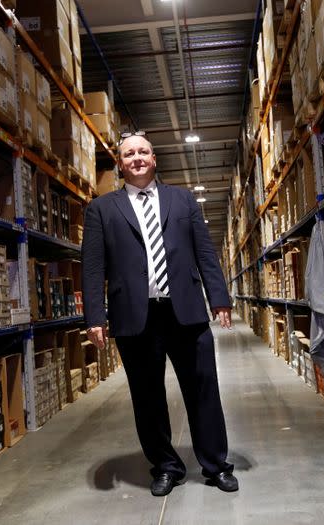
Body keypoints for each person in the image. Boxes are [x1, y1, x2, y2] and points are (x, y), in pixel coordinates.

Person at [81, 132, 238, 497]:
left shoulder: (182, 200)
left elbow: (205, 252)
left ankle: (215, 465)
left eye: (143, 151)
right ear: (120, 163)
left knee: (203, 390)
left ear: (154, 158)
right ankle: (166, 466)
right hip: (136, 317)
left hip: (185, 311)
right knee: (147, 396)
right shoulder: (101, 209)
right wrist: (94, 317)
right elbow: (92, 267)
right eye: (128, 153)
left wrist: (219, 298)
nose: (136, 158)